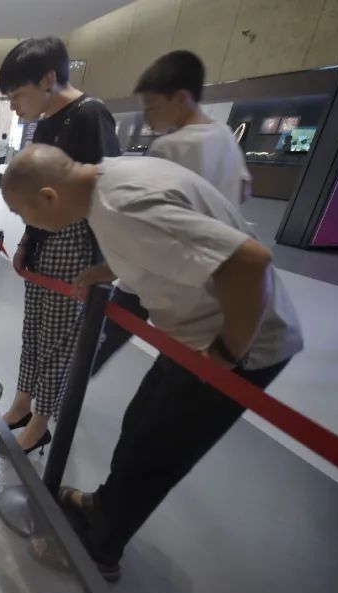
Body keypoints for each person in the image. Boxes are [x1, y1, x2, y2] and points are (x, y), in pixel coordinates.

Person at [0, 144, 303, 580]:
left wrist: (224, 355)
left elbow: (251, 261)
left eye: (22, 212)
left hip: (236, 348)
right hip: (191, 339)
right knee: (140, 426)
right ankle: (102, 507)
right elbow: (156, 243)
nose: (25, 222)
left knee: (155, 452)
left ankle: (99, 551)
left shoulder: (123, 207)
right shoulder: (107, 182)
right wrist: (106, 270)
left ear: (49, 197)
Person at [0, 37, 120, 455]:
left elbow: (105, 190)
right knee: (34, 329)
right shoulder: (45, 122)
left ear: (48, 79)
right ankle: (21, 405)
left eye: (16, 95)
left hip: (74, 241)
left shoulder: (89, 114)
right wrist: (28, 239)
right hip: (44, 236)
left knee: (60, 338)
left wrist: (104, 263)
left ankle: (40, 422)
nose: (14, 107)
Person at [86, 50, 253, 374]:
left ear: (181, 98)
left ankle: (60, 394)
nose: (147, 117)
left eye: (152, 106)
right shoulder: (224, 135)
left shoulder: (170, 147)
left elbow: (146, 218)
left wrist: (112, 267)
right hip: (213, 277)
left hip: (166, 268)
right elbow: (244, 189)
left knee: (97, 346)